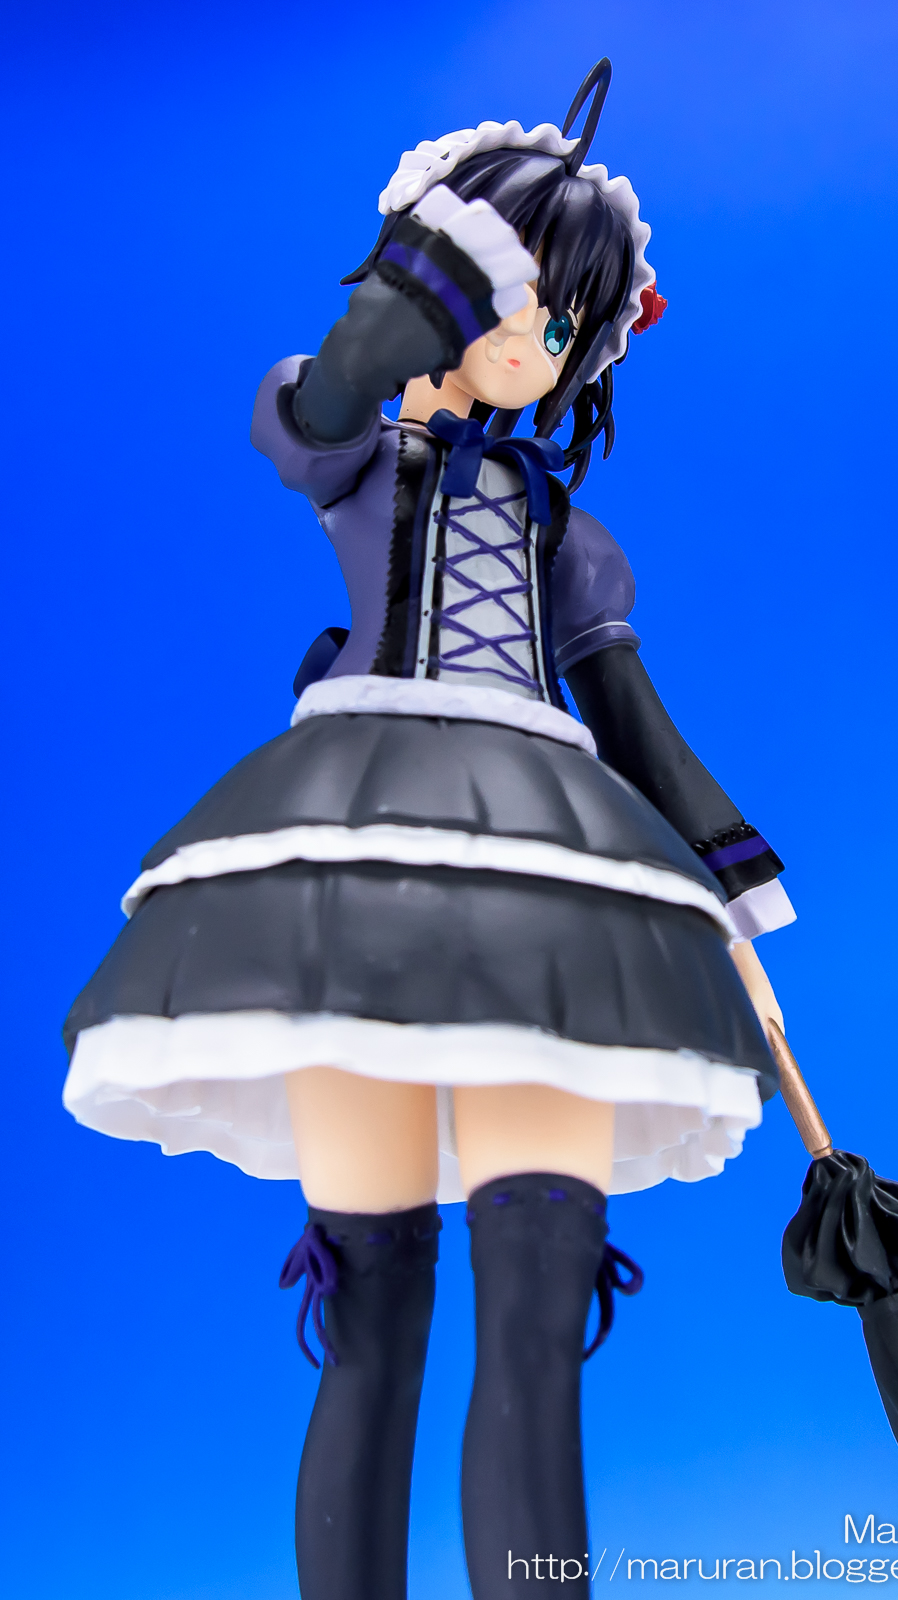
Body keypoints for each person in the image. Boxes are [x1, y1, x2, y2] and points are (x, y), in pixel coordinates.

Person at [63, 60, 795, 1600]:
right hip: (357, 866)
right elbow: (326, 392)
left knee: (538, 1311)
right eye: (523, 304)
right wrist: (450, 265)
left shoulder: (567, 537)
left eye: (564, 325)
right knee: (371, 1312)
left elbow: (638, 728)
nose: (538, 345)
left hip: (550, 879)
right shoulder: (354, 459)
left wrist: (734, 915)